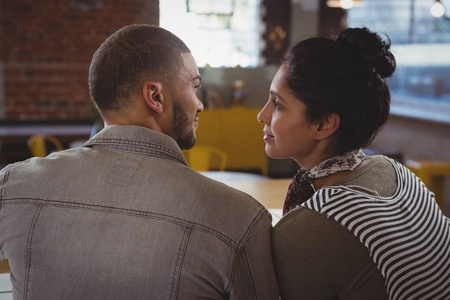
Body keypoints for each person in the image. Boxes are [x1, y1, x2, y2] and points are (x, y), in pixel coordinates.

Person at [0, 24, 279, 299]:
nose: (200, 103)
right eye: (194, 87)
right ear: (155, 97)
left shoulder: (13, 186)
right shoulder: (240, 218)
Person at [257, 27, 450, 300]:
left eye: (277, 104)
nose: (261, 115)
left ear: (324, 124)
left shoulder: (309, 230)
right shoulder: (396, 172)